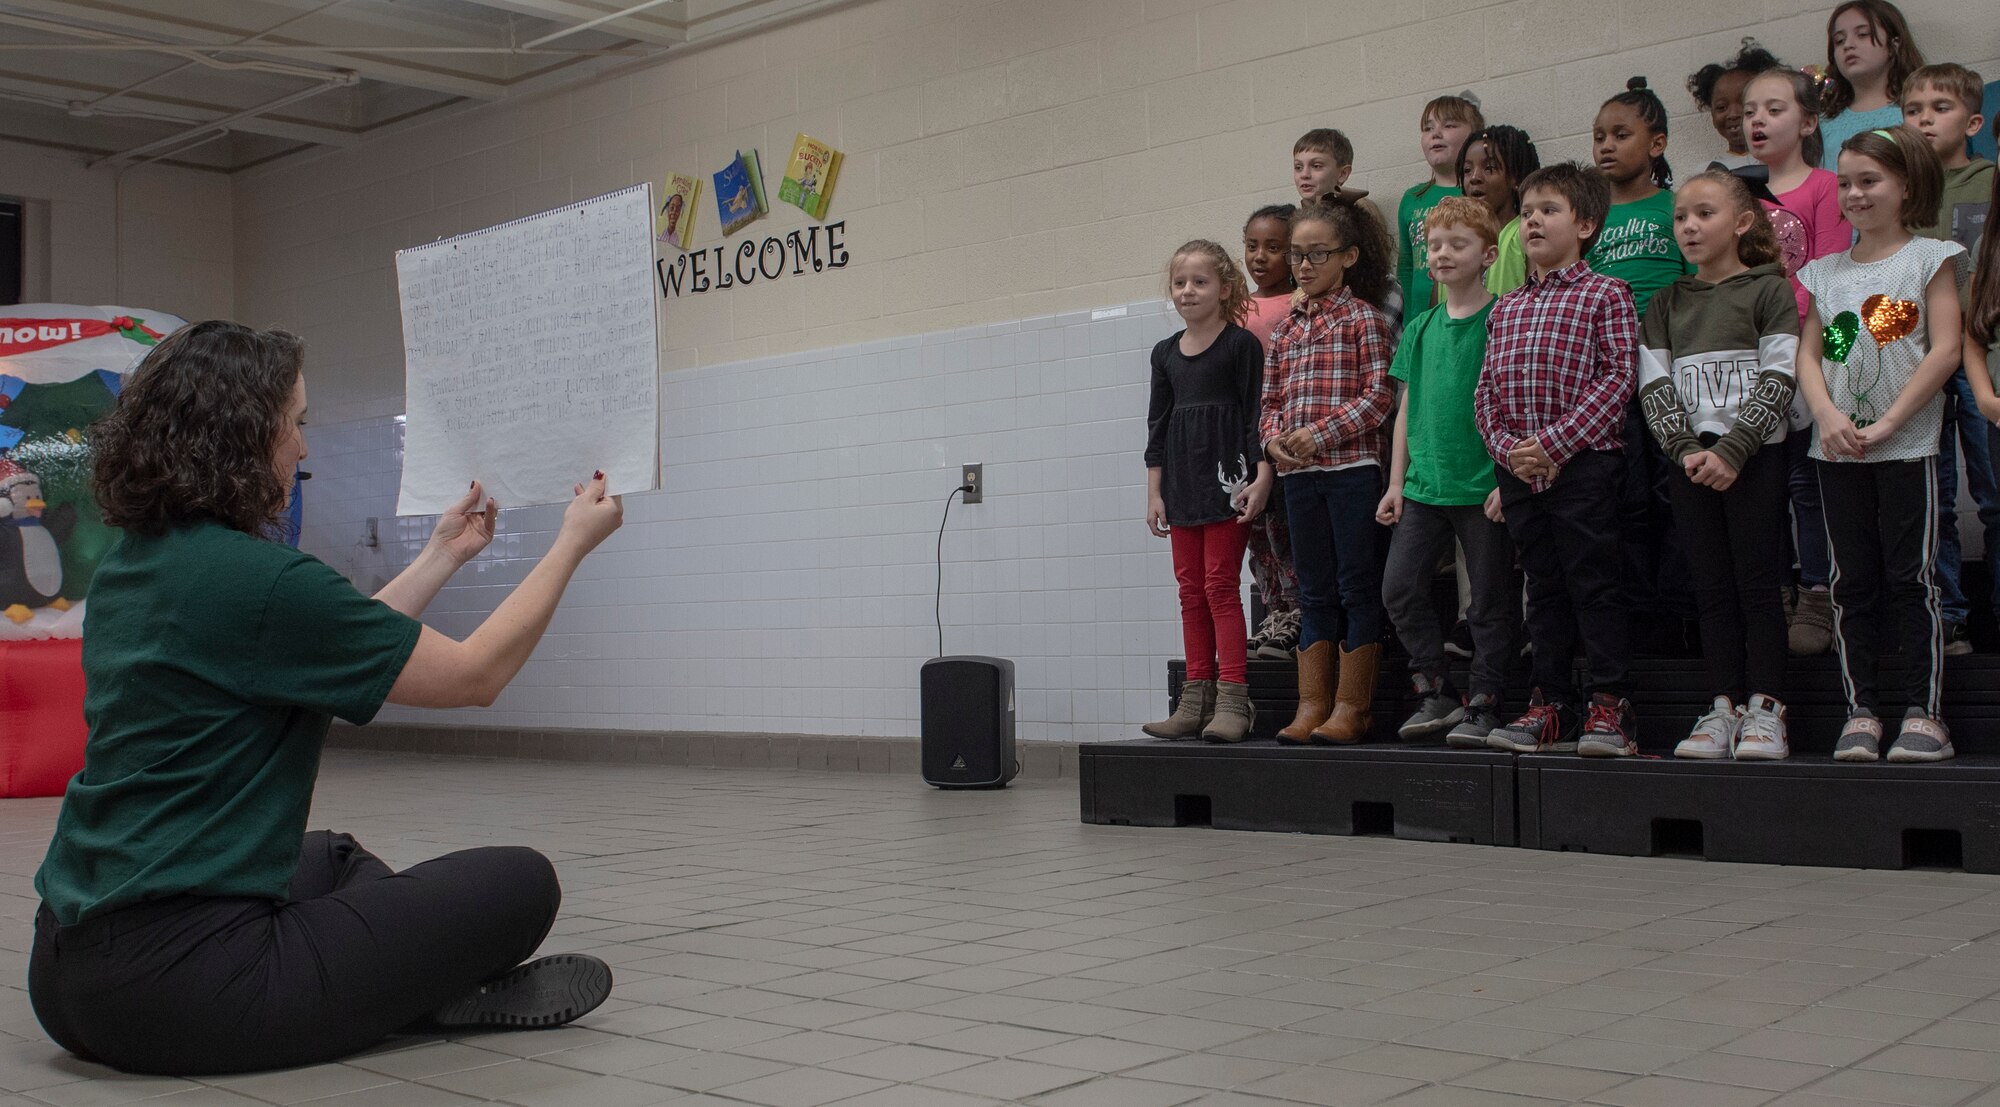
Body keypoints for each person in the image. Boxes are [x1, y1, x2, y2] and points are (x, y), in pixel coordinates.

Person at [28, 321, 624, 1076]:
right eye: (295, 425)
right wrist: (571, 542)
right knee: (523, 882)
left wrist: (443, 555)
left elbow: (332, 638)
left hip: (65, 971)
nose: (303, 450)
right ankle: (407, 988)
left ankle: (381, 977)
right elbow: (476, 674)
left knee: (336, 857)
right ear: (242, 437)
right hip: (186, 991)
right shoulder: (261, 580)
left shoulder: (136, 565)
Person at [1796, 126, 1964, 762]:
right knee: (1850, 581)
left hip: (1906, 446)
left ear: (1907, 185)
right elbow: (1815, 354)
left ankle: (1925, 713)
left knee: (1911, 579)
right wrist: (1826, 414)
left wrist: (1890, 421)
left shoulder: (1931, 257)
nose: (1855, 193)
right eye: (1845, 182)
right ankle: (1860, 709)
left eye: (1870, 180)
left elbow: (1944, 348)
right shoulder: (1827, 273)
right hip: (1837, 449)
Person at [1474, 163, 1640, 757]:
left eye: (1550, 209)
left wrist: (1554, 445)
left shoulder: (1607, 294)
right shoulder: (1506, 306)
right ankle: (1551, 703)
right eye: (1527, 211)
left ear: (1587, 223)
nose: (1534, 219)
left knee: (1592, 583)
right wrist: (1510, 452)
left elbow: (1618, 377)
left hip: (1583, 466)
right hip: (1520, 470)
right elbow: (1486, 389)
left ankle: (1608, 706)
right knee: (1542, 587)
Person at [1639, 170, 1802, 759]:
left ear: (1740, 223)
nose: (1689, 226)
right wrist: (1687, 451)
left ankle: (1767, 708)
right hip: (1691, 465)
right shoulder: (1665, 302)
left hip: (1754, 458)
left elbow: (1780, 374)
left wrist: (1733, 450)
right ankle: (1723, 706)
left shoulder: (1768, 290)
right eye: (1681, 216)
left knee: (1759, 586)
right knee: (1711, 588)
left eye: (1704, 214)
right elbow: (1654, 387)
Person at [1377, 197, 1519, 747]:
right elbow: (1406, 409)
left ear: (1487, 254)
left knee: (1486, 602)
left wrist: (1508, 481)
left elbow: (1513, 400)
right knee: (1399, 589)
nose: (1442, 254)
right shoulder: (1420, 326)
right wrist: (1395, 483)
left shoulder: (1503, 318)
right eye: (1434, 245)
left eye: (1457, 244)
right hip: (1422, 488)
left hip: (1483, 484)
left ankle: (1485, 700)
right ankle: (1434, 690)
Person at [1262, 197, 1396, 745]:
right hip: (1298, 480)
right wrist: (1273, 442)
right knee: (1313, 590)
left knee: (1355, 585)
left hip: (1352, 472)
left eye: (1318, 254)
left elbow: (1380, 396)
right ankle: (1312, 703)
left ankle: (1352, 707)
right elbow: (1269, 402)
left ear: (1348, 257)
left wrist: (1320, 433)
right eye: (1297, 255)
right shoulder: (1284, 331)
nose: (1304, 266)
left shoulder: (1364, 318)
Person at [1143, 240, 1272, 743]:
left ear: (1224, 287)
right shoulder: (1164, 353)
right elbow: (1157, 426)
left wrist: (1262, 477)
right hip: (1180, 484)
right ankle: (1194, 701)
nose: (1188, 291)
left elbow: (1255, 416)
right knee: (1189, 591)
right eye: (1180, 282)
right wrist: (1155, 493)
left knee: (1220, 587)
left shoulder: (1241, 346)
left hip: (1229, 481)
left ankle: (1234, 699)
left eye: (1200, 282)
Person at [1744, 65, 1854, 655]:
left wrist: (1820, 362)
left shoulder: (1826, 188)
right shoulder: (1739, 199)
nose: (1757, 119)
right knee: (1766, 484)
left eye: (1774, 109)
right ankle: (1777, 591)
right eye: (1749, 111)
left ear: (1809, 120)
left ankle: (1819, 591)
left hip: (1812, 357)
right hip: (1754, 362)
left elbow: (1832, 280)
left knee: (1809, 483)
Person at [1591, 76, 1699, 656]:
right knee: (1624, 494)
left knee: (1672, 485)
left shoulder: (1673, 208)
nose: (1605, 146)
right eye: (1599, 136)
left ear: (1656, 144)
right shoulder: (1589, 219)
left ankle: (1681, 609)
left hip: (1667, 363)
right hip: (1607, 373)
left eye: (1621, 135)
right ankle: (1635, 613)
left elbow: (1695, 279)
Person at [1905, 63, 1998, 654]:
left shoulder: (1992, 182)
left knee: (1993, 491)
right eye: (1913, 110)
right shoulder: (1903, 194)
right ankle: (1950, 615)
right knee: (1933, 498)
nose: (1923, 118)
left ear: (1973, 121)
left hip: (1983, 354)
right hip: (1921, 361)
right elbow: (1891, 289)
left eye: (1939, 108)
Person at [1240, 204, 1303, 660]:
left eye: (1274, 247)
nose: (1260, 257)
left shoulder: (1299, 302)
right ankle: (1272, 610)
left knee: (1284, 527)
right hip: (1244, 434)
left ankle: (1297, 611)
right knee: (1255, 529)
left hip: (1284, 431)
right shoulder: (1235, 304)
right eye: (1252, 246)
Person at [1397, 93, 1485, 318]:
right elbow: (1406, 267)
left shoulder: (1478, 193)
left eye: (1449, 125)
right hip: (1419, 320)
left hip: (1467, 314)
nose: (1435, 133)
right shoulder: (1412, 198)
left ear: (1474, 135)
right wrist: (1409, 321)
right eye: (1427, 128)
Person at [1817, 0, 1927, 171]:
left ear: (1893, 45)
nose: (1848, 45)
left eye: (1863, 35)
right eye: (1839, 40)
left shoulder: (1916, 112)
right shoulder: (1823, 121)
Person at [1456, 125, 1542, 296]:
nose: (1474, 178)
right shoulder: (1451, 241)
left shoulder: (1528, 233)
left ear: (1515, 178)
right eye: (1467, 170)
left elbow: (1538, 304)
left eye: (1489, 168)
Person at [1689, 38, 1784, 170]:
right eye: (1721, 107)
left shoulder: (1785, 160)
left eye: (1744, 103)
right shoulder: (1707, 173)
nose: (1733, 114)